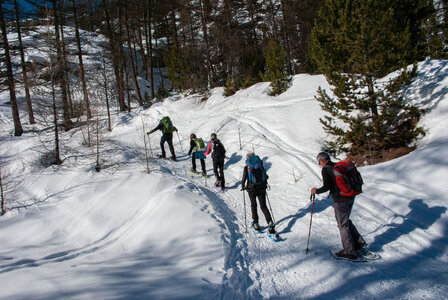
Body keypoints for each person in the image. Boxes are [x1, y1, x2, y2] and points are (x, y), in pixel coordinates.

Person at [310, 152, 366, 259]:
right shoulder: (337, 166)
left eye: (319, 162)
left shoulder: (326, 170)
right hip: (350, 196)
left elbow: (327, 186)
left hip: (340, 199)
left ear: (322, 160)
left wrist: (315, 191)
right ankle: (358, 243)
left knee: (342, 224)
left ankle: (349, 252)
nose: (319, 164)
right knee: (346, 220)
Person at [241, 153, 276, 234]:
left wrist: (242, 186)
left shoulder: (247, 167)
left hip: (251, 189)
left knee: (254, 205)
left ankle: (256, 223)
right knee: (263, 206)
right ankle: (270, 222)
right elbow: (265, 176)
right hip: (262, 187)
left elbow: (244, 178)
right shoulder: (260, 164)